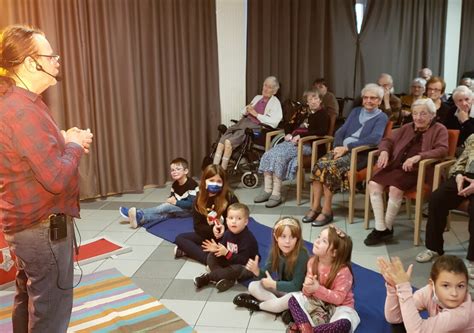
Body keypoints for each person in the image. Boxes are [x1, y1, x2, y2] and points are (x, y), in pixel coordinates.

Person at [0, 25, 93, 332]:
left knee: (29, 297)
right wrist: (74, 145)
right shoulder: (21, 110)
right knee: (50, 310)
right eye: (50, 54)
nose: (57, 60)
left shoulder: (19, 102)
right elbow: (55, 177)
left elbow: (36, 157)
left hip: (27, 226)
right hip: (41, 229)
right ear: (30, 62)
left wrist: (64, 140)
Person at [364, 98, 448, 246]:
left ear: (432, 115)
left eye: (423, 114)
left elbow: (442, 150)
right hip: (397, 166)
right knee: (373, 183)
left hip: (420, 170)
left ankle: (385, 228)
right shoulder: (407, 127)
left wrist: (419, 157)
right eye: (415, 113)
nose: (418, 117)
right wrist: (384, 151)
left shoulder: (439, 129)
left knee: (396, 189)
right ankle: (381, 227)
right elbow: (387, 140)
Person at [302, 83, 389, 226]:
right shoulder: (355, 111)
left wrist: (347, 147)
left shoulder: (381, 117)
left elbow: (375, 139)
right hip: (341, 149)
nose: (368, 101)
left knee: (330, 168)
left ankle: (327, 211)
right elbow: (341, 131)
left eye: (373, 98)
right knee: (318, 165)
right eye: (366, 97)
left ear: (379, 101)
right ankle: (315, 207)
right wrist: (338, 147)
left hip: (361, 154)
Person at [254, 89, 330, 207]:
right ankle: (267, 190)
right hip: (293, 142)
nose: (313, 101)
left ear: (320, 101)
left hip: (309, 145)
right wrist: (288, 134)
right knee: (268, 154)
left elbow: (322, 131)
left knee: (279, 157)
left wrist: (302, 135)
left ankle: (276, 194)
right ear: (307, 102)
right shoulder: (304, 113)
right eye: (310, 99)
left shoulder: (323, 114)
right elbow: (288, 124)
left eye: (316, 99)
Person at [286, 225, 359, 333]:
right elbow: (306, 293)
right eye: (319, 236)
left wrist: (317, 288)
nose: (317, 241)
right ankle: (305, 328)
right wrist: (307, 287)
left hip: (338, 308)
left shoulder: (344, 271)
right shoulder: (312, 262)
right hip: (318, 304)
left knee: (345, 324)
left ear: (334, 252)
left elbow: (338, 298)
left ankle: (306, 330)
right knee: (293, 300)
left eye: (324, 241)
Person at [416, 134, 474, 268]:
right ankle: (434, 248)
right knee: (437, 199)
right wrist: (458, 175)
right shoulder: (472, 138)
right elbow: (461, 160)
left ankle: (472, 259)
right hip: (465, 177)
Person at [233, 217, 309, 315]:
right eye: (283, 236)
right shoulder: (275, 251)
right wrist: (256, 271)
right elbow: (265, 273)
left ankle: (258, 305)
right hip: (281, 288)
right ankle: (280, 308)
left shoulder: (302, 255)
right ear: (276, 237)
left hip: (296, 293)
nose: (287, 241)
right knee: (253, 286)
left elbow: (296, 285)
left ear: (297, 239)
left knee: (291, 299)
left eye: (292, 237)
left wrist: (274, 284)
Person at [378, 255, 474, 332]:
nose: (454, 293)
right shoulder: (428, 291)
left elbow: (417, 331)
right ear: (432, 284)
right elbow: (395, 318)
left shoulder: (461, 314)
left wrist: (403, 287)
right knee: (400, 325)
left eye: (460, 286)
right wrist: (394, 287)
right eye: (446, 285)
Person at [213, 76, 282, 170]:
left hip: (254, 127)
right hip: (243, 123)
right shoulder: (257, 97)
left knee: (228, 143)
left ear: (274, 91)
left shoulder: (275, 103)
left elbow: (274, 122)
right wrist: (247, 109)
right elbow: (243, 111)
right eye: (265, 85)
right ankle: (213, 171)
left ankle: (222, 172)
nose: (265, 88)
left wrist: (256, 114)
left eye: (269, 87)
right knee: (221, 143)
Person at [174, 164, 238, 264]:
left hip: (227, 236)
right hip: (208, 234)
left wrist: (224, 228)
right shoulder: (199, 199)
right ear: (205, 181)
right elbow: (198, 226)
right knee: (180, 238)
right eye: (211, 180)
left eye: (219, 181)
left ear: (223, 183)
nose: (215, 184)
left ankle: (201, 255)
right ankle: (208, 259)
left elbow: (237, 222)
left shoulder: (230, 198)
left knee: (235, 245)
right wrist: (212, 229)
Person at [193, 203, 258, 292]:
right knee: (211, 256)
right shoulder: (227, 233)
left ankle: (208, 278)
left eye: (238, 218)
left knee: (237, 268)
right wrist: (216, 248)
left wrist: (227, 253)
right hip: (230, 261)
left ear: (246, 222)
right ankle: (225, 278)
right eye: (231, 218)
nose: (234, 221)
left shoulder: (247, 238)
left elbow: (244, 260)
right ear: (226, 220)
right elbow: (222, 247)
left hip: (245, 266)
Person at [118, 157, 198, 228]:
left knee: (165, 207)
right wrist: (170, 198)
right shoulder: (175, 184)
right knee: (163, 215)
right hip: (178, 208)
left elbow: (192, 204)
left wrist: (175, 202)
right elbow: (172, 196)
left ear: (186, 171)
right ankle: (140, 218)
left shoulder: (192, 184)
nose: (174, 172)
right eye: (172, 170)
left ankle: (137, 213)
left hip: (188, 211)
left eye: (178, 169)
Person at [442, 85, 474, 154]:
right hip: (456, 149)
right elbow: (446, 132)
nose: (464, 103)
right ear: (455, 103)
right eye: (460, 100)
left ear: (472, 100)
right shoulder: (452, 111)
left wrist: (465, 121)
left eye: (467, 99)